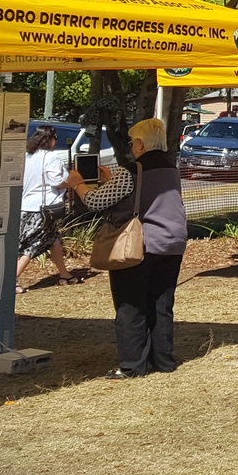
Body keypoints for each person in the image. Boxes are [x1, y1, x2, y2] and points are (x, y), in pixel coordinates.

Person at [65, 119, 188, 379]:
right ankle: (163, 360)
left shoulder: (131, 169)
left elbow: (97, 200)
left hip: (141, 244)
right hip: (172, 243)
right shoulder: (171, 167)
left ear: (141, 144)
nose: (131, 146)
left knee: (131, 305)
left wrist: (78, 184)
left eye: (133, 142)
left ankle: (133, 365)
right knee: (161, 303)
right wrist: (111, 180)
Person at [16, 126, 79, 291]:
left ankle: (64, 274)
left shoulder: (27, 157)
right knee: (33, 244)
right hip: (43, 210)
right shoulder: (51, 158)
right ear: (51, 140)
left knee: (54, 240)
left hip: (25, 206)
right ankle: (12, 280)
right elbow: (55, 181)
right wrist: (73, 181)